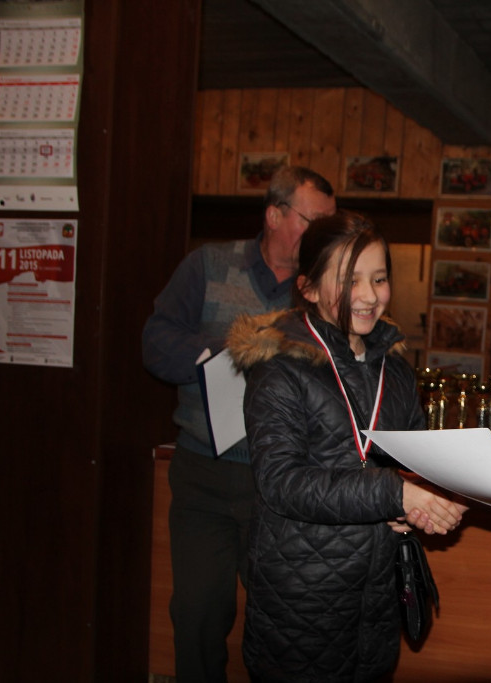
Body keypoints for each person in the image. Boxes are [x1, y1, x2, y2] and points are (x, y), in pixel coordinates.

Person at [225, 210, 465, 682]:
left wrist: (429, 500)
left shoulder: (395, 370)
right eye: (349, 280)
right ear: (309, 287)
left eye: (379, 278)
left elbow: (413, 462)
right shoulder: (280, 369)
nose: (369, 296)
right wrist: (395, 494)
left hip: (377, 597)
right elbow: (283, 483)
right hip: (302, 599)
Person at [142, 166, 336, 683]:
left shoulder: (324, 288)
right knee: (197, 616)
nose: (322, 234)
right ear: (274, 215)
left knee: (283, 624)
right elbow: (155, 343)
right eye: (313, 220)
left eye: (329, 224)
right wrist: (225, 352)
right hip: (203, 473)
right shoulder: (207, 266)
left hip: (282, 483)